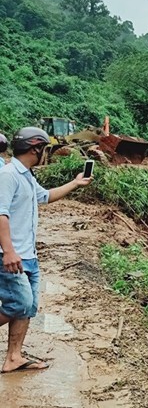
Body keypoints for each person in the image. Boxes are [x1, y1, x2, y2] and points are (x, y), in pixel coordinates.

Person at [0, 127, 92, 373]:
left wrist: (75, 183)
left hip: (29, 255)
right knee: (18, 304)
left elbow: (46, 197)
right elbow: (1, 214)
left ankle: (14, 357)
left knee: (28, 308)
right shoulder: (8, 175)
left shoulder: (27, 176)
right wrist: (8, 251)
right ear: (35, 148)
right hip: (11, 256)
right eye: (43, 149)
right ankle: (14, 355)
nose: (44, 153)